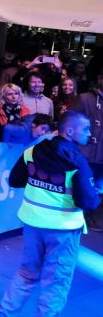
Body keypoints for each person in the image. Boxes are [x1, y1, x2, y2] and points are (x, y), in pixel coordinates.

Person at [0, 111, 100, 316]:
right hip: (63, 230)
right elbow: (87, 202)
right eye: (86, 129)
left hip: (33, 225)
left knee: (26, 273)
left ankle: (2, 313)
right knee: (56, 281)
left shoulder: (33, 151)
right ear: (69, 131)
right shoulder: (78, 163)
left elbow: (15, 180)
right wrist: (95, 192)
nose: (90, 134)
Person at [70, 72, 103, 231]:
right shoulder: (84, 98)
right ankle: (75, 220)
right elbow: (69, 121)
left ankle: (92, 220)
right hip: (84, 155)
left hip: (101, 158)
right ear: (100, 79)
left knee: (98, 190)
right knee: (79, 188)